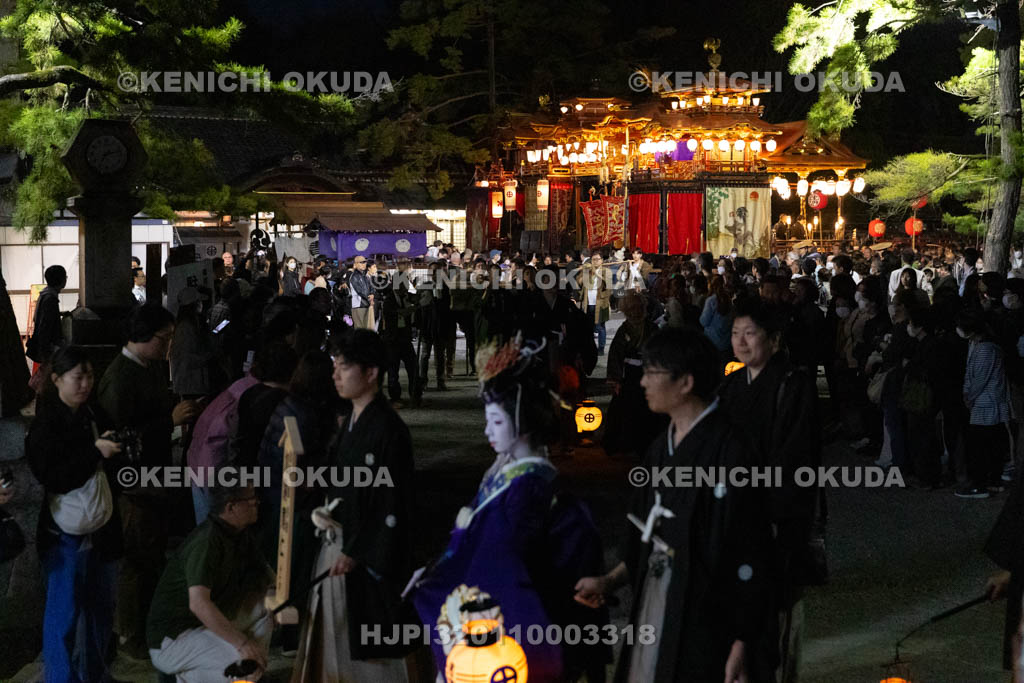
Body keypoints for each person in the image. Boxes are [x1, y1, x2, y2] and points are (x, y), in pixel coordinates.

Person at [574, 327, 775, 681]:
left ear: (685, 382)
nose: (643, 382)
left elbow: (751, 553)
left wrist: (742, 641)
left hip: (708, 615)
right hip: (656, 595)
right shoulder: (660, 448)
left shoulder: (732, 452)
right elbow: (645, 530)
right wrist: (609, 581)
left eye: (652, 372)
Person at [412, 334, 608, 682]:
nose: (488, 430)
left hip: (519, 614)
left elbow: (501, 561)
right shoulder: (509, 475)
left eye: (498, 421)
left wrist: (448, 578)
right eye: (488, 420)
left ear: (524, 420)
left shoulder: (530, 487)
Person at [291, 329, 416, 682]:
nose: (335, 375)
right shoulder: (352, 422)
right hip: (339, 542)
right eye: (335, 366)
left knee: (368, 648)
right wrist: (324, 503)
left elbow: (393, 502)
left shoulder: (388, 428)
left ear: (371, 372)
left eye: (344, 367)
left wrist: (357, 550)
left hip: (366, 554)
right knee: (337, 636)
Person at [718, 298, 822, 683]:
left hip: (775, 515)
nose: (741, 342)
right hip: (736, 510)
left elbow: (794, 457)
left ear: (773, 339)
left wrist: (771, 507)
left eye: (750, 333)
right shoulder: (731, 385)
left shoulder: (793, 384)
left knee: (772, 615)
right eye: (735, 333)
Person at [97, 304, 201, 656]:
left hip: (153, 478)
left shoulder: (149, 367)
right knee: (136, 561)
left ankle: (149, 627)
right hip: (133, 484)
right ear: (144, 335)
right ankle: (130, 634)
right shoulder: (120, 377)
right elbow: (120, 438)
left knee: (152, 556)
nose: (169, 345)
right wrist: (169, 421)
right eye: (165, 338)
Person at [27, 345, 124, 683]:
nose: (86, 384)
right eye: (78, 377)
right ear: (56, 379)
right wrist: (95, 452)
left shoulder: (95, 413)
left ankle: (95, 675)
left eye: (90, 376)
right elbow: (55, 478)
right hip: (64, 534)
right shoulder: (45, 426)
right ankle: (60, 678)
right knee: (64, 614)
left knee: (101, 609)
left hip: (102, 526)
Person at [147, 483, 275, 683]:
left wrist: (275, 592)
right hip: (174, 638)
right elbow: (199, 604)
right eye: (250, 499)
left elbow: (265, 575)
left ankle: (245, 671)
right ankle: (183, 677)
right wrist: (242, 643)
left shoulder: (239, 533)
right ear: (231, 507)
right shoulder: (206, 541)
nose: (257, 502)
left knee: (266, 609)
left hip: (202, 624)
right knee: (243, 665)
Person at [957, 310, 1012, 498]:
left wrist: (969, 396)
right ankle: (992, 481)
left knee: (981, 447)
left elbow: (979, 378)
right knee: (991, 445)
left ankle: (980, 485)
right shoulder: (980, 345)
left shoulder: (985, 349)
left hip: (985, 404)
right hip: (987, 402)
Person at [604, 292, 667, 457]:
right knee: (625, 409)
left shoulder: (652, 328)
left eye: (638, 308)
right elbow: (615, 356)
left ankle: (646, 445)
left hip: (647, 374)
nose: (635, 312)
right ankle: (624, 444)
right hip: (629, 375)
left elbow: (659, 352)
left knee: (647, 410)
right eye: (631, 309)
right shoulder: (623, 330)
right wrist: (615, 380)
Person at [25, 265, 67, 372]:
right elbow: (45, 326)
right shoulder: (50, 299)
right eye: (65, 277)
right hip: (50, 347)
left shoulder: (45, 294)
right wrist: (46, 353)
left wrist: (59, 314)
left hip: (45, 346)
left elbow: (39, 317)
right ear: (61, 280)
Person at [578, 251, 612, 355]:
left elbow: (608, 285)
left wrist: (597, 273)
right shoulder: (587, 271)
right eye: (593, 259)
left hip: (601, 303)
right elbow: (579, 282)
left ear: (602, 260)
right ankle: (590, 347)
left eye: (598, 259)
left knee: (600, 327)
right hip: (587, 303)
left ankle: (601, 348)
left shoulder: (606, 271)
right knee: (588, 327)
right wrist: (584, 272)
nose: (595, 261)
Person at [348, 255, 374, 329]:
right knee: (360, 328)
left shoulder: (364, 276)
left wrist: (372, 294)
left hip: (365, 304)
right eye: (361, 262)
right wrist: (370, 299)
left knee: (365, 328)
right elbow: (361, 291)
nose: (364, 264)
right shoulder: (354, 276)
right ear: (355, 264)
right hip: (358, 305)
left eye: (365, 262)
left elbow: (371, 287)